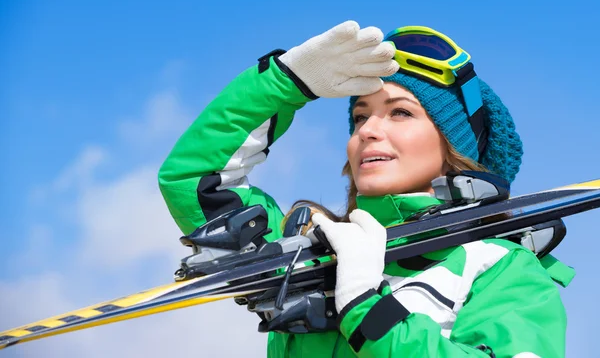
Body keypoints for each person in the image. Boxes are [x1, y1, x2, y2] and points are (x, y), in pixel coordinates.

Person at [158, 21, 573, 357]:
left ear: (453, 148)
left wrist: (366, 305)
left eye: (400, 113)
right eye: (360, 117)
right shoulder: (311, 255)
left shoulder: (499, 267)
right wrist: (285, 83)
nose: (369, 131)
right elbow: (197, 179)